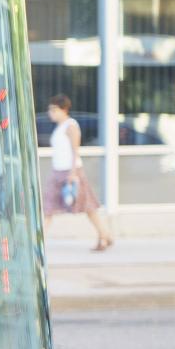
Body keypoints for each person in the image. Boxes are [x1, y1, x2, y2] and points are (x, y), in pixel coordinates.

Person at [43, 93, 113, 251]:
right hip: (57, 170)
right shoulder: (60, 127)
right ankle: (39, 242)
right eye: (50, 110)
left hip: (71, 171)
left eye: (54, 110)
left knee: (88, 206)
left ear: (64, 109)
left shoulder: (71, 126)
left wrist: (73, 173)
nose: (50, 113)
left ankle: (104, 235)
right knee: (48, 206)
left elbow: (75, 151)